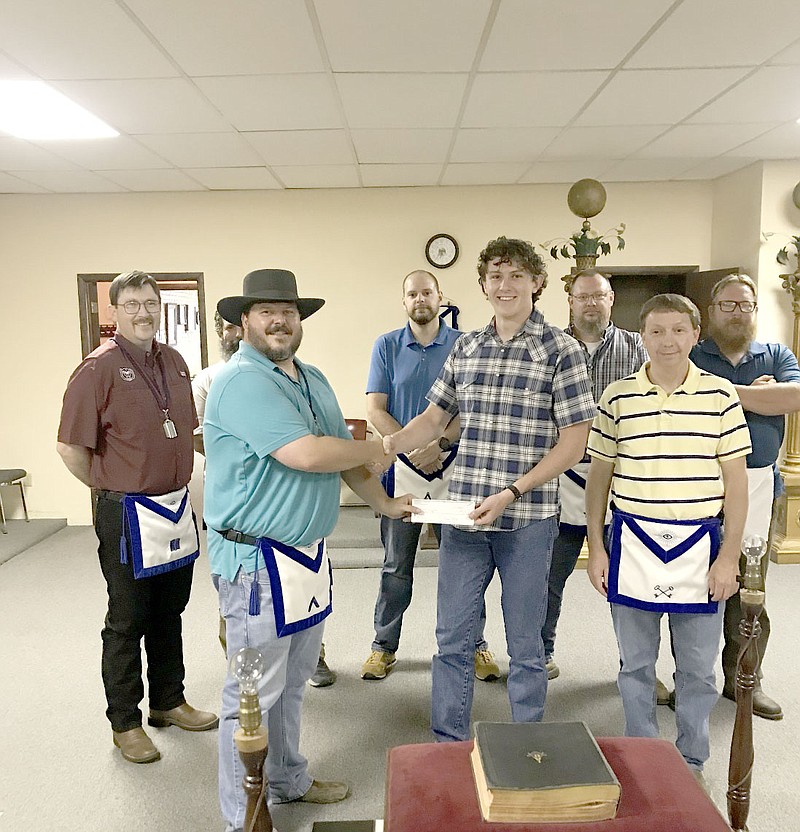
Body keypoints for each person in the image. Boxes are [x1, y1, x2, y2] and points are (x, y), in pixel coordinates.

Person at [204, 268, 413, 830]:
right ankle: (242, 813)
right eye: (267, 311)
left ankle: (288, 779)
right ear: (244, 320)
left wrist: (384, 503)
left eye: (290, 311)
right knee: (249, 692)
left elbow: (339, 455)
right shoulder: (242, 381)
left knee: (292, 684)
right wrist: (383, 447)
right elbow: (307, 454)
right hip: (255, 566)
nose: (280, 320)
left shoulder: (312, 377)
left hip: (305, 560)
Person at [384, 237, 595, 742]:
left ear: (537, 283)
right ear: (483, 285)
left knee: (525, 646)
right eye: (496, 276)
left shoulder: (561, 351)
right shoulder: (467, 346)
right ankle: (447, 744)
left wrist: (513, 492)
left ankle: (527, 746)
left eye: (517, 275)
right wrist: (386, 446)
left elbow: (573, 444)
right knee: (452, 640)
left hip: (528, 519)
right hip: (468, 520)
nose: (506, 285)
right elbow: (435, 418)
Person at [586, 293, 750, 782]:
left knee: (697, 669)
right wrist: (597, 547)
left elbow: (736, 486)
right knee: (636, 665)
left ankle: (691, 762)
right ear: (643, 338)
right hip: (631, 543)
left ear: (695, 335)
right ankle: (642, 755)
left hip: (700, 547)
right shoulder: (617, 397)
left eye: (679, 330)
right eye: (656, 331)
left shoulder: (721, 396)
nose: (668, 341)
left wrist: (729, 558)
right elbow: (599, 478)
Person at [57, 270, 218, 765]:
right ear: (115, 311)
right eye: (132, 304)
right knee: (127, 620)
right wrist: (110, 490)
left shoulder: (175, 361)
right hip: (126, 512)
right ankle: (124, 722)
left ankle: (168, 701)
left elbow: (183, 432)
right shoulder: (96, 370)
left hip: (173, 507)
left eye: (151, 303)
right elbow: (70, 448)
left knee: (170, 611)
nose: (144, 312)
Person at [362, 269, 499, 682]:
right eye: (412, 294)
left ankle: (475, 645)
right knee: (395, 566)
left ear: (441, 297)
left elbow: (475, 408)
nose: (420, 299)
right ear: (404, 301)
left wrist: (437, 445)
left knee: (464, 563)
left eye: (427, 292)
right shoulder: (386, 346)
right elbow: (374, 408)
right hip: (402, 470)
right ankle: (383, 647)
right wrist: (408, 447)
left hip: (455, 466)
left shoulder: (467, 345)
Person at [690, 273, 800, 721]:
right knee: (696, 589)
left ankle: (744, 683)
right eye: (728, 305)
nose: (737, 313)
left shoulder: (776, 353)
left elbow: (794, 397)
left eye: (745, 306)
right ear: (711, 311)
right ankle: (692, 681)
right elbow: (687, 402)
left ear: (755, 311)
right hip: (698, 490)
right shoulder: (693, 352)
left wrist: (726, 393)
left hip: (759, 489)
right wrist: (760, 395)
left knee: (748, 590)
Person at [542, 270, 647, 682]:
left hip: (621, 481)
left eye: (598, 296)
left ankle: (635, 665)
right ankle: (540, 653)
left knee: (627, 581)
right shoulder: (550, 348)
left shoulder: (637, 347)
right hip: (561, 478)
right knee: (551, 576)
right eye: (582, 297)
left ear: (611, 299)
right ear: (569, 300)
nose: (590, 304)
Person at [192, 311, 243, 455]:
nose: (239, 334)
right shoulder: (205, 380)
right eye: (230, 327)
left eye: (243, 327)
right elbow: (197, 436)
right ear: (220, 333)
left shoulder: (272, 375)